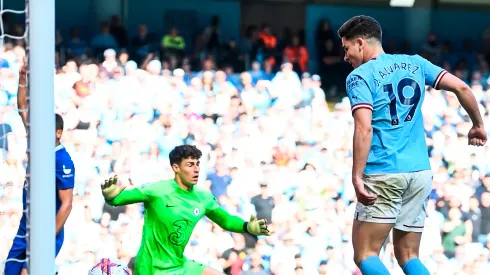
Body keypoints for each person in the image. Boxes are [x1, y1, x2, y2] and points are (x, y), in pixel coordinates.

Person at [337, 15, 487, 275]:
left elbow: (364, 127)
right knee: (408, 256)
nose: (345, 57)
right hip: (419, 173)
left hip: (383, 171)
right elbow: (462, 88)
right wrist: (477, 125)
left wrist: (357, 176)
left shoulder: (359, 77)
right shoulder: (415, 63)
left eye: (346, 48)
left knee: (365, 254)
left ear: (360, 43)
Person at [101, 144, 270, 275]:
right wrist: (111, 197)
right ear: (176, 168)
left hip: (180, 264)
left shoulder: (203, 198)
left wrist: (247, 227)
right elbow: (120, 198)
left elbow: (226, 220)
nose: (196, 169)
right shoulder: (157, 191)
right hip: (151, 268)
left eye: (197, 164)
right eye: (190, 164)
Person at [4, 62, 75, 275]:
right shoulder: (37, 141)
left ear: (58, 133)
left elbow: (67, 204)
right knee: (11, 271)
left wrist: (45, 240)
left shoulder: (62, 161)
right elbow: (22, 111)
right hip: (26, 226)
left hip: (46, 230)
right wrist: (22, 77)